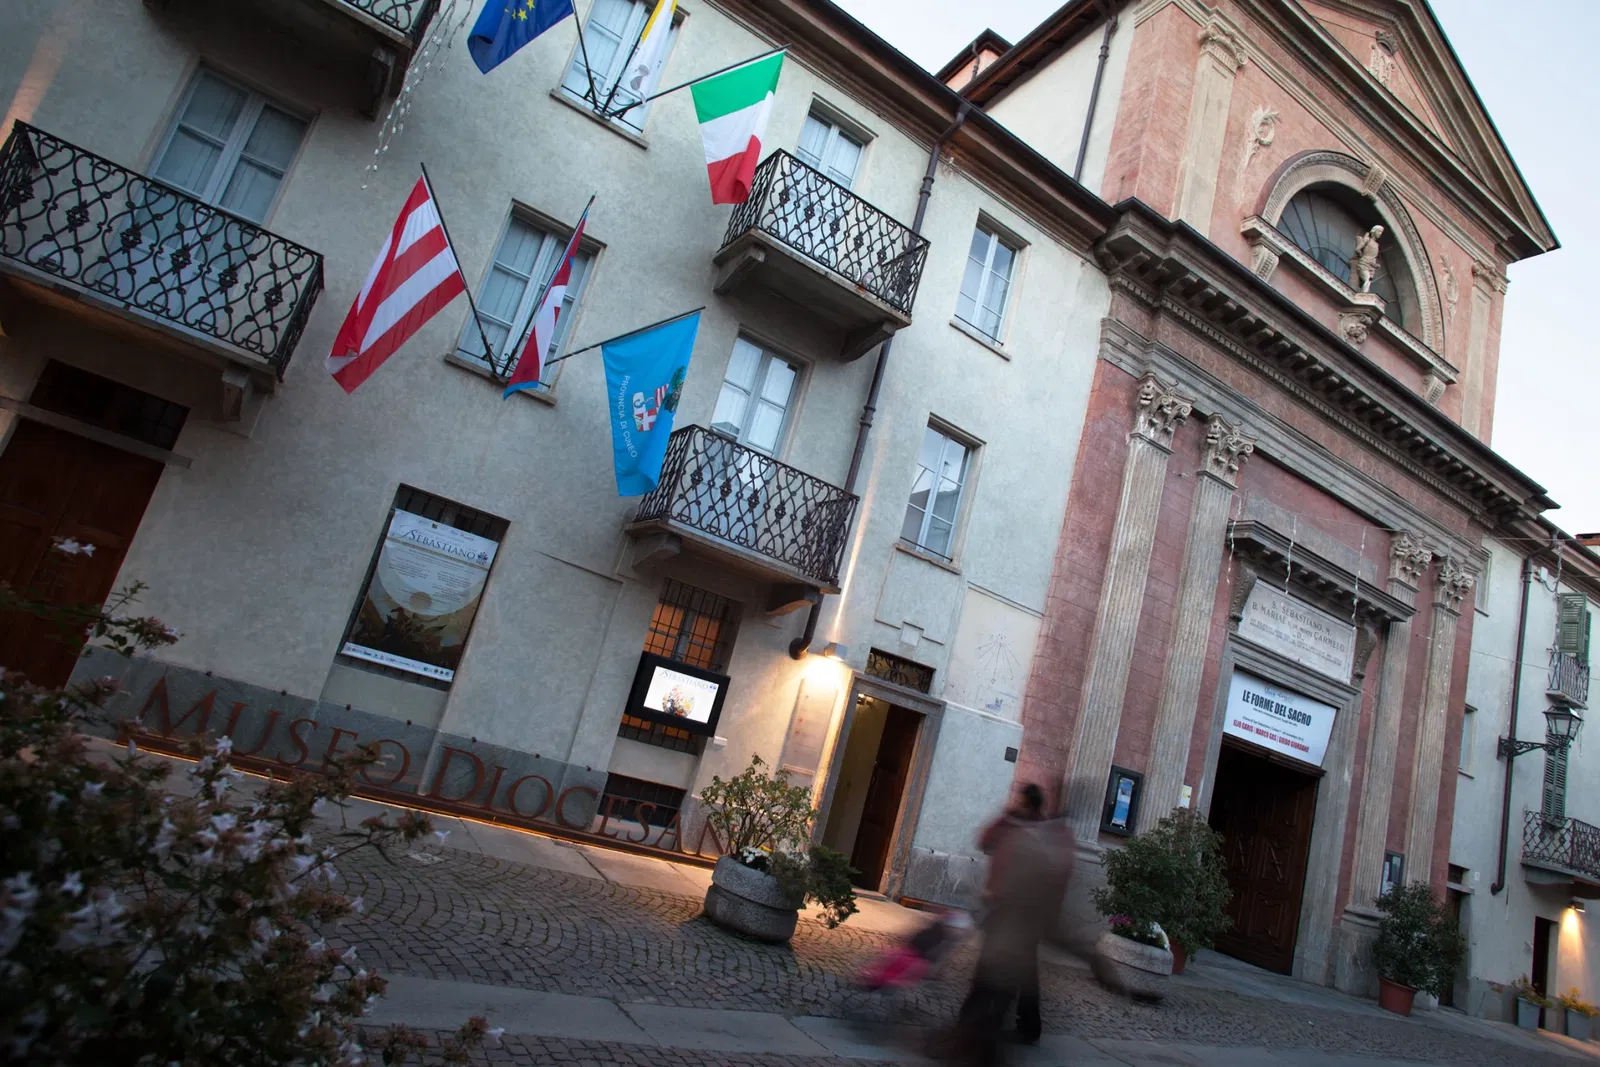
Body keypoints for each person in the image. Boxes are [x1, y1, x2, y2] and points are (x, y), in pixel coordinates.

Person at [951, 783, 1074, 1062]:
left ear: (1028, 804)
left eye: (1019, 800)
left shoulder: (1038, 836)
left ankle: (971, 1033)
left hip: (1013, 917)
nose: (1014, 802)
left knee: (991, 976)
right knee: (1022, 975)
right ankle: (1024, 1028)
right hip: (1009, 915)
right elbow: (985, 842)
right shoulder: (1016, 826)